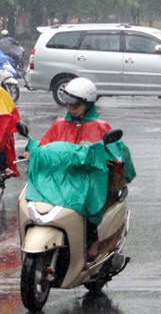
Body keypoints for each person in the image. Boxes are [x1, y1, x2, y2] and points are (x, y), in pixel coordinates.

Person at [27, 77, 136, 261]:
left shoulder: (100, 127)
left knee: (88, 202)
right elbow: (46, 145)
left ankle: (92, 241)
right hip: (60, 176)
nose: (71, 107)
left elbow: (116, 151)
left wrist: (114, 160)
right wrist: (32, 153)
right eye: (68, 103)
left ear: (88, 103)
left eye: (76, 104)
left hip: (88, 178)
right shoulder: (59, 124)